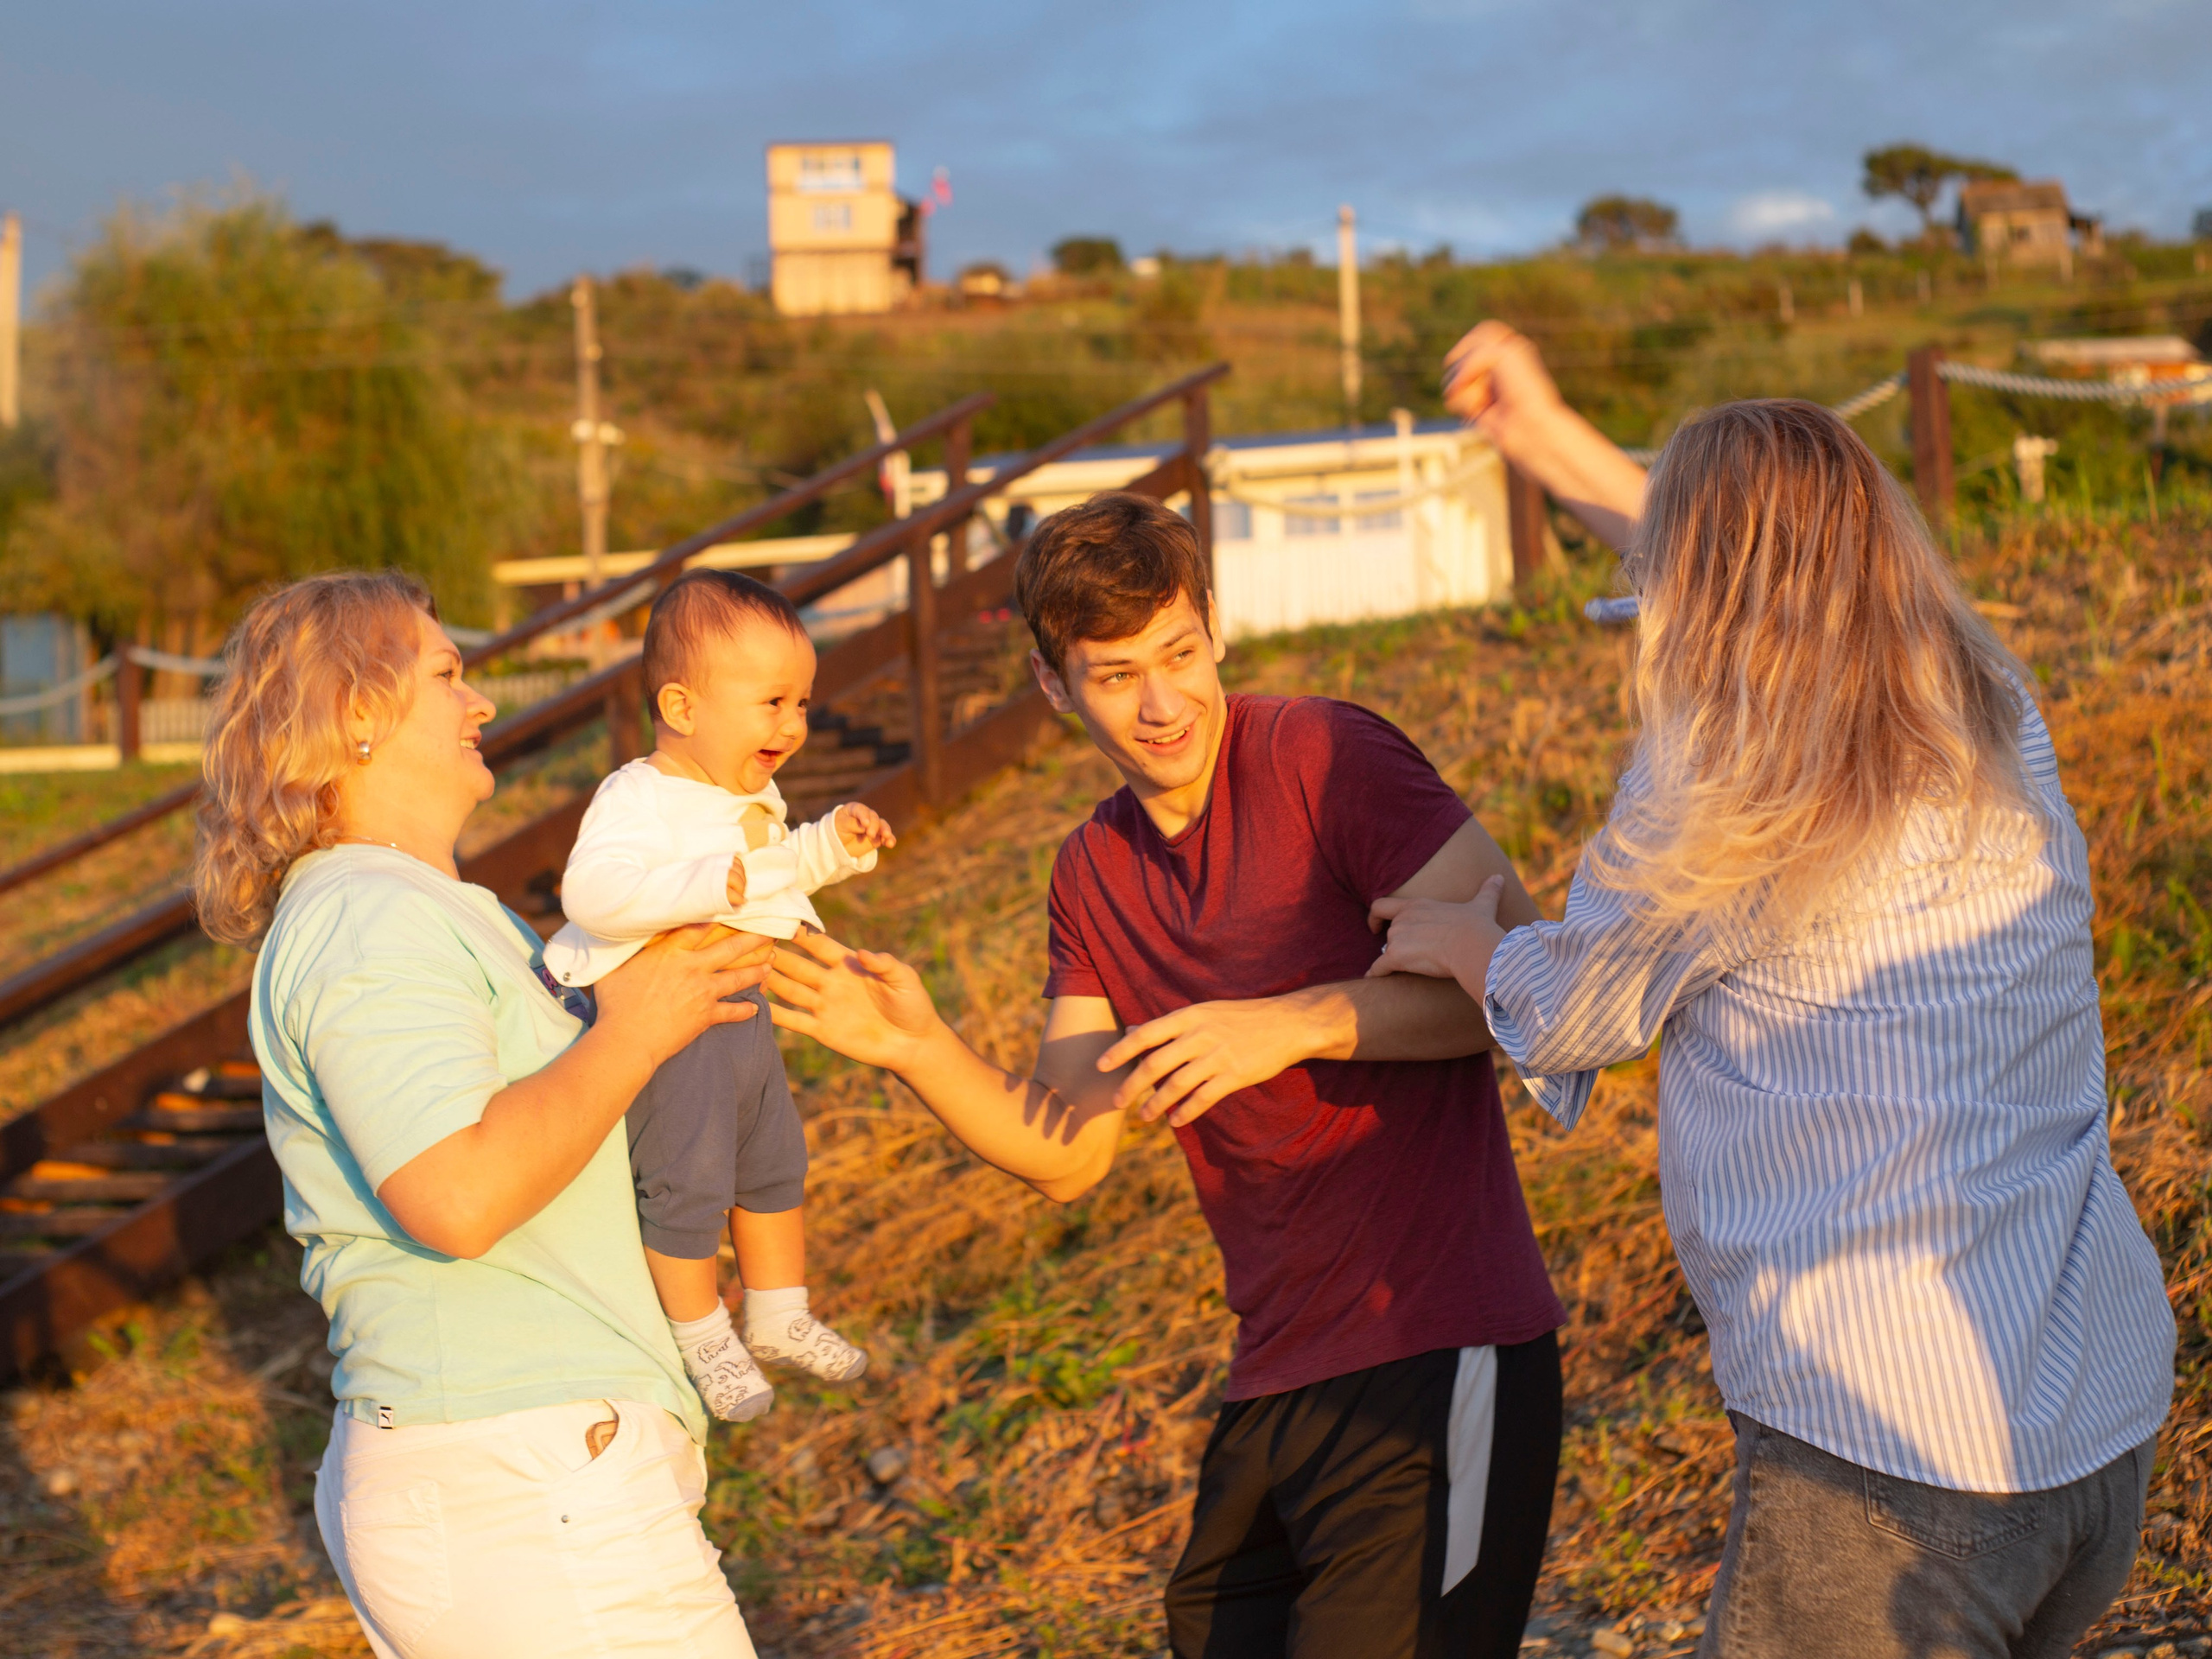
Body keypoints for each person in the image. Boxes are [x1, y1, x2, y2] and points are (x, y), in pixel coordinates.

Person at [1367, 327, 2177, 1659]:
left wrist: (1465, 938)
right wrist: (1544, 432)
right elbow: (1753, 562)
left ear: (1702, 587)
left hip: (1889, 1458)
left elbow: (1581, 1011)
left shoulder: (1730, 779)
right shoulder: (1984, 704)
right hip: (2088, 1422)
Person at [769, 491, 1567, 1659]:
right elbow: (1070, 1148)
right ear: (1055, 688)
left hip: (1440, 1351)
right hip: (1277, 1376)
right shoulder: (1092, 870)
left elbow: (1535, 994)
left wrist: (1290, 1023)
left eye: (1179, 655)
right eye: (1115, 674)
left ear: (1214, 631)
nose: (1162, 703)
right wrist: (914, 1048)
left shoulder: (1325, 755)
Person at [194, 569, 772, 1659]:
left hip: (523, 1472)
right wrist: (631, 1031)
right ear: (358, 715)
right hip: (520, 1477)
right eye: (448, 674)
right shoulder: (368, 915)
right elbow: (455, 1195)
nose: (483, 703)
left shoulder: (441, 912)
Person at [544, 569, 889, 1421]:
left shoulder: (752, 798)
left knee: (776, 1163)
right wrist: (707, 883)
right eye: (771, 702)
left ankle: (779, 1314)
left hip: (745, 1015)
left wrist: (833, 848)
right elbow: (591, 894)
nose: (792, 724)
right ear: (683, 708)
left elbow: (774, 881)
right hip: (668, 1029)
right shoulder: (641, 796)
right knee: (687, 1176)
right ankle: (701, 1333)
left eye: (801, 703)